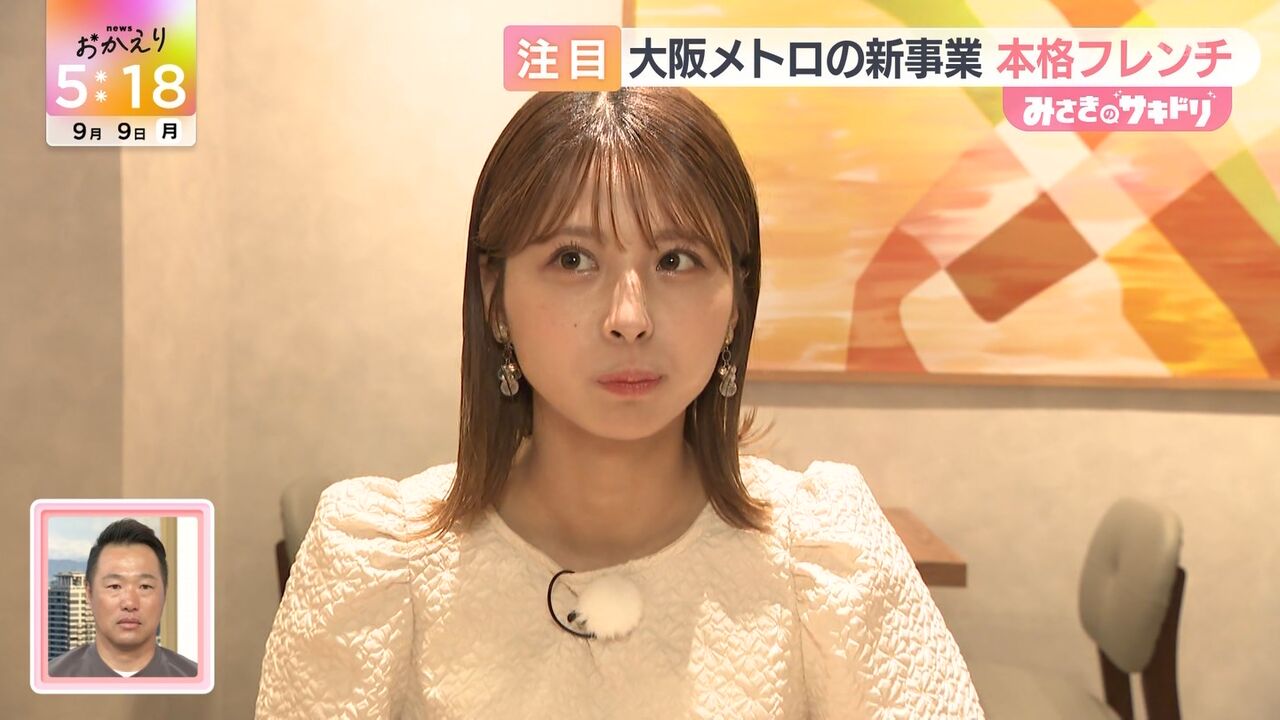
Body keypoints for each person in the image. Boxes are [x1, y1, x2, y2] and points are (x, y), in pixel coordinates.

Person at [256, 88, 984, 718]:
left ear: (737, 301)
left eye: (676, 260)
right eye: (573, 260)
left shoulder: (826, 560)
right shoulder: (380, 566)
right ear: (494, 296)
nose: (629, 317)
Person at [49, 518, 198, 678]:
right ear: (89, 593)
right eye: (115, 586)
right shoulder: (51, 678)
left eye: (145, 587)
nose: (130, 603)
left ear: (165, 593)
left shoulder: (196, 678)